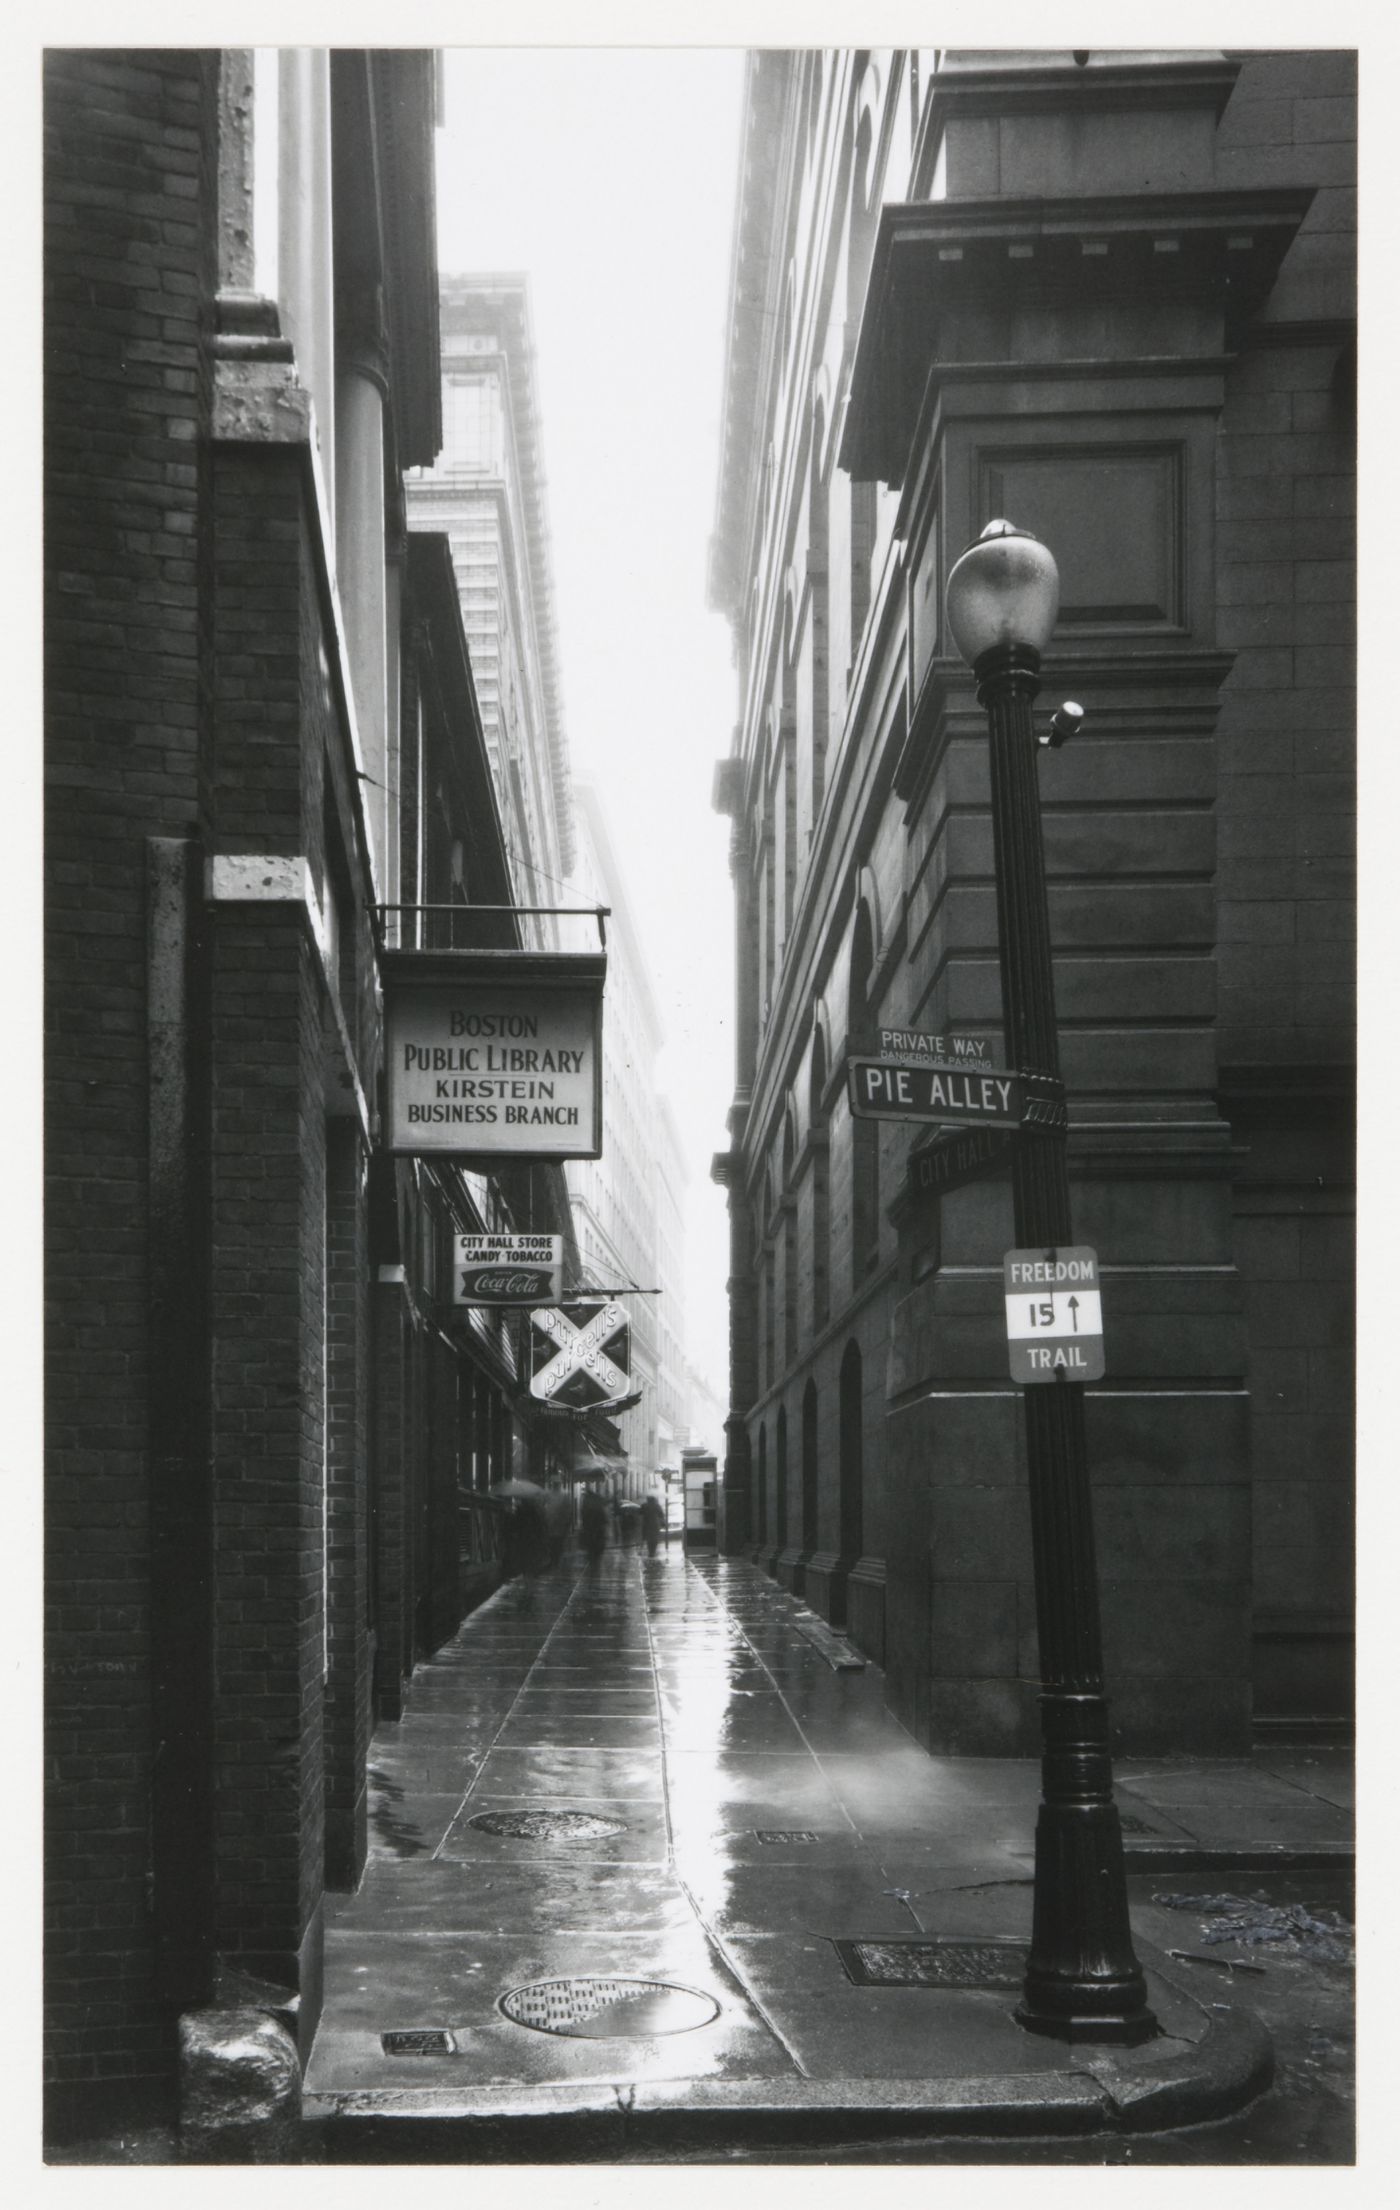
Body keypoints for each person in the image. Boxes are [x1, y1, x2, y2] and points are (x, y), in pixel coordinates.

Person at [580, 1484, 608, 1567]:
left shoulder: (586, 1501)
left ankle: (592, 1559)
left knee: (591, 1545)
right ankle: (595, 1560)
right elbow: (603, 1516)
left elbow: (583, 1513)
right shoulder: (597, 1502)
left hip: (590, 1527)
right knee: (596, 1546)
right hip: (596, 1528)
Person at [640, 1493, 664, 1558]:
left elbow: (640, 1513)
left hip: (646, 1524)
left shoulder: (644, 1505)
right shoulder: (657, 1505)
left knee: (648, 1538)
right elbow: (661, 1515)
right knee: (655, 1538)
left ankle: (650, 1552)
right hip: (655, 1524)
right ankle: (653, 1551)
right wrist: (662, 1523)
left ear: (647, 1499)